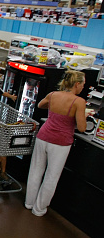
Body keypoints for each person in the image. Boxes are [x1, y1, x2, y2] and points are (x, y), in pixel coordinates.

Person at [25, 70, 89, 217]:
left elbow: (41, 105)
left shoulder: (53, 94)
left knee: (35, 171)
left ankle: (29, 203)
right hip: (61, 142)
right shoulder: (79, 102)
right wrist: (83, 116)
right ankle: (39, 209)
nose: (83, 88)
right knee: (51, 177)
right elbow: (82, 127)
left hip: (43, 135)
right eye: (83, 84)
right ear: (77, 84)